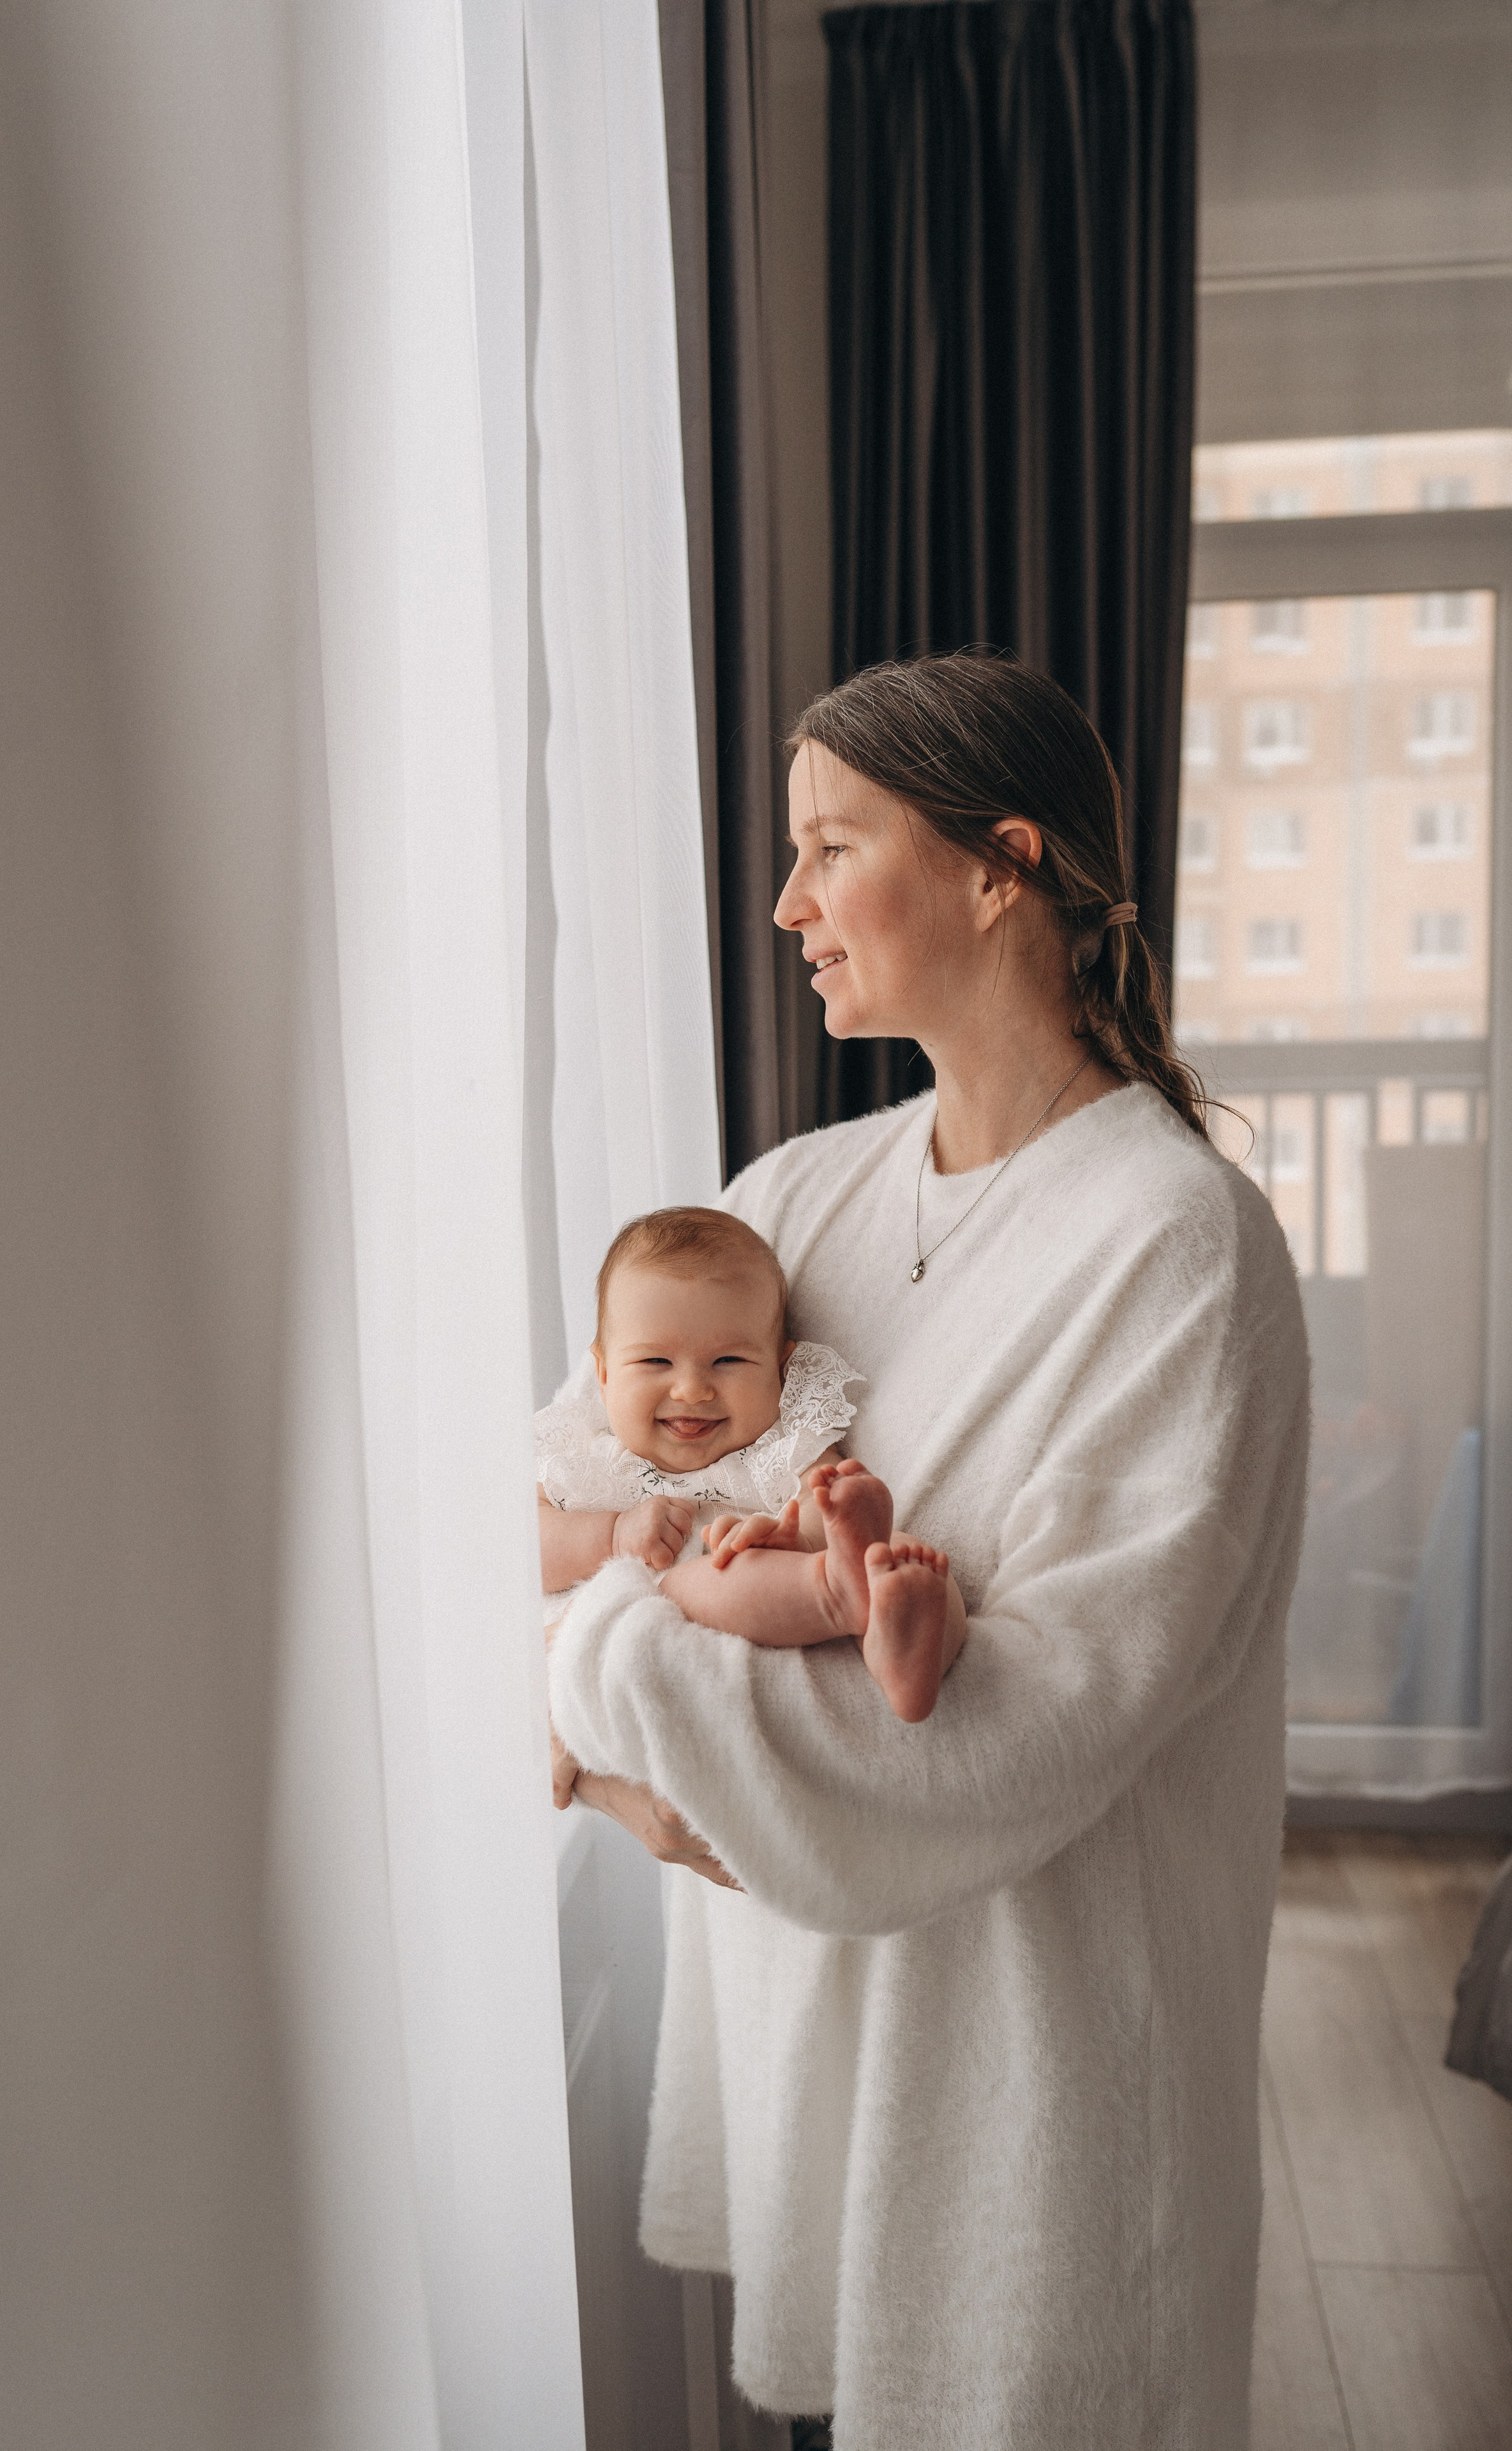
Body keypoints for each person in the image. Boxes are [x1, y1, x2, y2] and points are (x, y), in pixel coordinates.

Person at [546, 652, 1310, 2450]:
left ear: (999, 866)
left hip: (1046, 2089)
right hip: (838, 2055)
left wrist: (618, 1702)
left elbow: (1042, 1717)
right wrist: (624, 1712)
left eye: (831, 847)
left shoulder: (1178, 1246)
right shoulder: (795, 1196)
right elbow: (559, 1490)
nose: (791, 904)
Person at [536, 1205, 959, 1721]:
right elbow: (524, 1552)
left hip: (779, 1564)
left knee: (898, 1553)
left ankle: (919, 1645)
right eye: (655, 1362)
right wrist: (613, 1536)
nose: (692, 1389)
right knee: (698, 1581)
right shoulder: (585, 1450)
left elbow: (819, 1499)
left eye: (729, 1361)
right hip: (674, 1604)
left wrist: (797, 1533)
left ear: (781, 1370)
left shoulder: (780, 1439)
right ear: (602, 1374)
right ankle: (836, 1594)